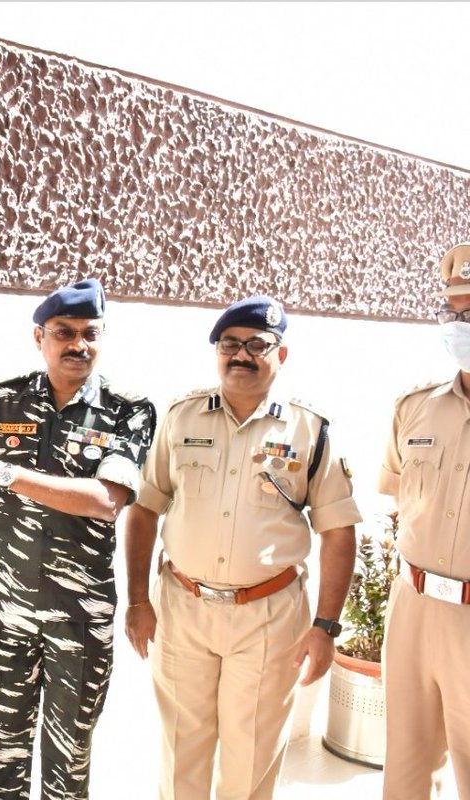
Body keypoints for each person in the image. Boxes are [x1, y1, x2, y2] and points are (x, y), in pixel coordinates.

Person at [0, 279, 156, 800]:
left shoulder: (127, 409)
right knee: (0, 756)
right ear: (39, 337)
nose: (78, 345)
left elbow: (106, 500)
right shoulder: (4, 401)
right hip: (6, 613)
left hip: (79, 619)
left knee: (68, 763)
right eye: (64, 333)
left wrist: (4, 473)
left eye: (90, 333)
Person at [123, 295, 359, 799]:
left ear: (282, 353)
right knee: (180, 750)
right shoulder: (181, 417)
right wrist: (138, 601)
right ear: (216, 350)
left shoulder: (310, 429)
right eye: (230, 344)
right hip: (183, 609)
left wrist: (325, 626)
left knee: (249, 757)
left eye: (257, 345)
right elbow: (145, 509)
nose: (241, 355)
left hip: (269, 617)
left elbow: (338, 531)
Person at [378, 243, 470, 798]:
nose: (462, 325)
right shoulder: (414, 406)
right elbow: (396, 498)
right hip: (412, 607)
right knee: (406, 771)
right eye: (456, 313)